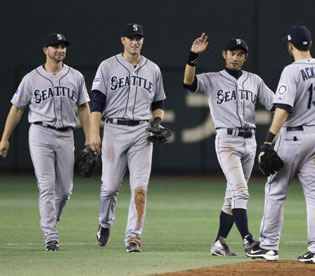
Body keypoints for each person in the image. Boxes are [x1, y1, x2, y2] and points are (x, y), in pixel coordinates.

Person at [246, 26, 315, 262]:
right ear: (310, 45)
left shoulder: (291, 70)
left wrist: (267, 143)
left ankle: (268, 246)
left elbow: (283, 109)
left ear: (290, 46)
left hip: (293, 137)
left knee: (275, 191)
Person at [183, 33, 274, 256]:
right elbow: (189, 83)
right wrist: (193, 56)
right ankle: (248, 241)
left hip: (250, 141)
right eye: (232, 53)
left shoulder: (254, 80)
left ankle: (219, 243)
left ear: (245, 57)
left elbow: (276, 104)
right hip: (227, 141)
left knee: (231, 196)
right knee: (241, 191)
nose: (235, 57)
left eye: (240, 54)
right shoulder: (212, 78)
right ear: (224, 54)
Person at [0, 33, 91, 251]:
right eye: (55, 46)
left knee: (66, 190)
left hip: (66, 135)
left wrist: (90, 137)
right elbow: (17, 108)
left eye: (62, 46)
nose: (59, 50)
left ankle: (50, 219)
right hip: (41, 133)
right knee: (46, 186)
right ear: (45, 50)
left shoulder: (75, 77)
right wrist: (4, 137)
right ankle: (51, 235)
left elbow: (84, 108)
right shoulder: (31, 78)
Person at [89, 23, 167, 252]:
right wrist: (94, 132)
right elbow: (96, 103)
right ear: (123, 40)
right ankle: (104, 224)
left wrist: (157, 123)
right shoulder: (107, 66)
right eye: (131, 38)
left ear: (142, 40)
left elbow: (159, 103)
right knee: (109, 187)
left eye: (139, 38)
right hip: (113, 129)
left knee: (140, 189)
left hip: (142, 132)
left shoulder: (153, 69)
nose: (135, 42)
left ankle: (133, 237)